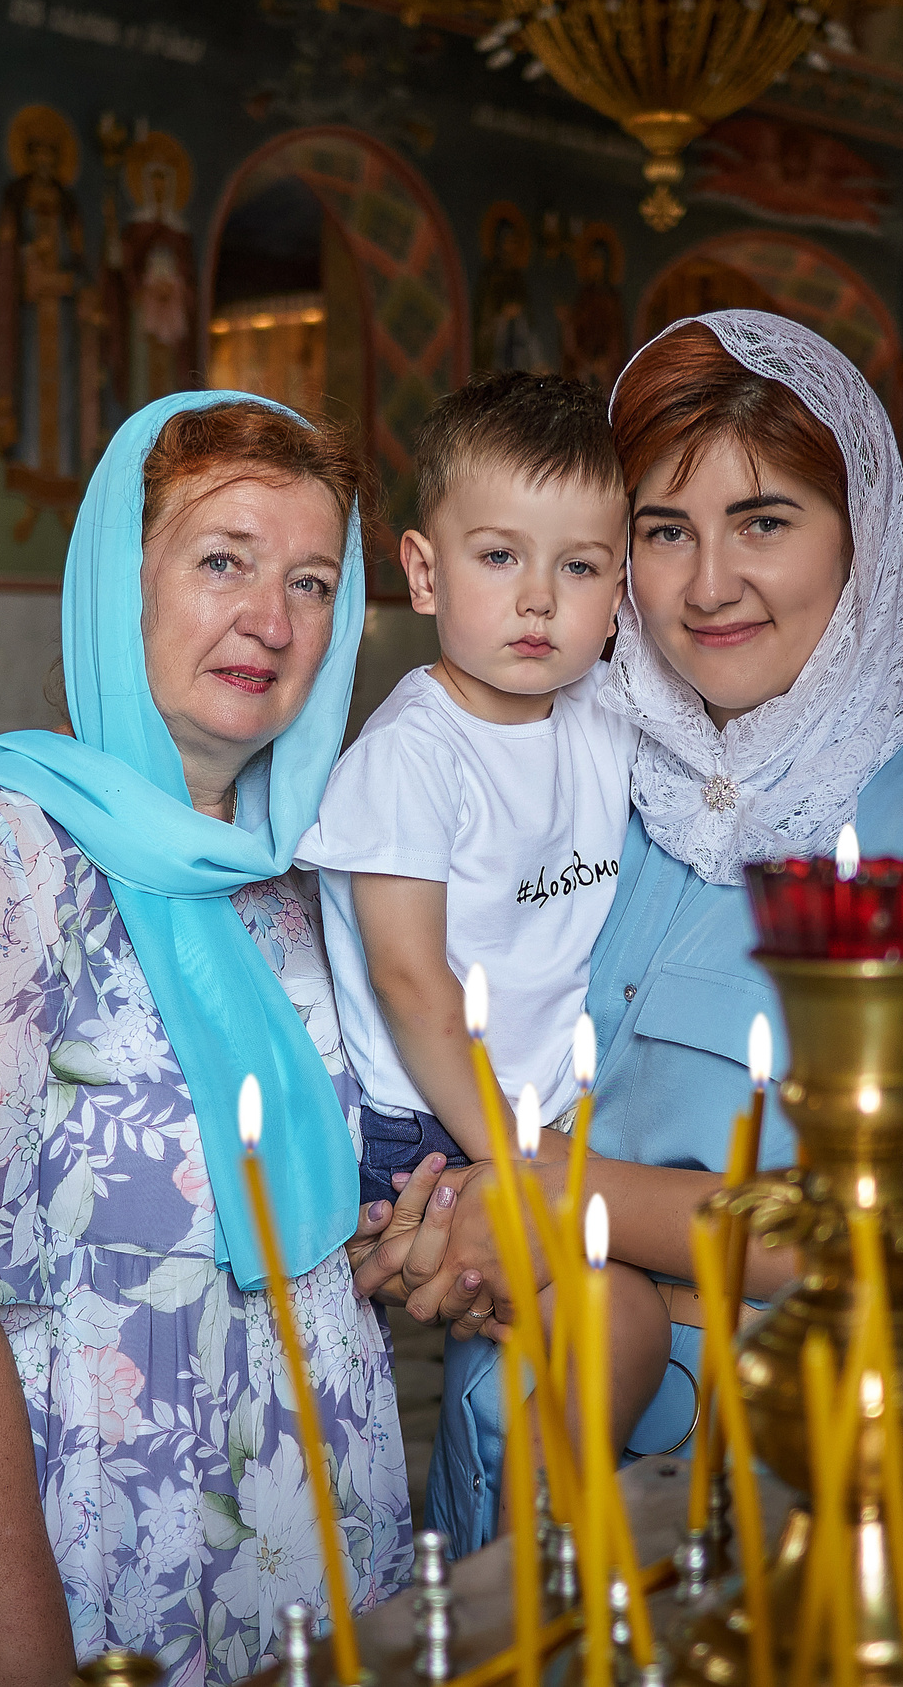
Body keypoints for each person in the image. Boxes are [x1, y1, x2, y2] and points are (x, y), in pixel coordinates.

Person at [349, 311, 903, 1551]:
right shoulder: (593, 768)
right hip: (510, 1423)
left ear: (861, 536)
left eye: (764, 522)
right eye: (663, 530)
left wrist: (556, 1197)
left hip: (768, 1460)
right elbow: (452, 1027)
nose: (708, 584)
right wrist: (436, 1224)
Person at [0, 394, 411, 1686]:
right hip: (83, 1516)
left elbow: (289, 1202)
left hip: (303, 1499)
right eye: (223, 561)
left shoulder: (296, 869)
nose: (271, 620)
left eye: (312, 582)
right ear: (116, 583)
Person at [294, 372, 667, 1449]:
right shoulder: (410, 756)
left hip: (546, 1108)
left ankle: (551, 1516)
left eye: (579, 566)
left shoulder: (603, 718)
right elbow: (410, 980)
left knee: (631, 1317)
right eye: (500, 556)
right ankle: (542, 1543)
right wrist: (515, 1161)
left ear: (620, 591)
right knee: (619, 1319)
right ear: (424, 571)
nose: (539, 599)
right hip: (430, 1123)